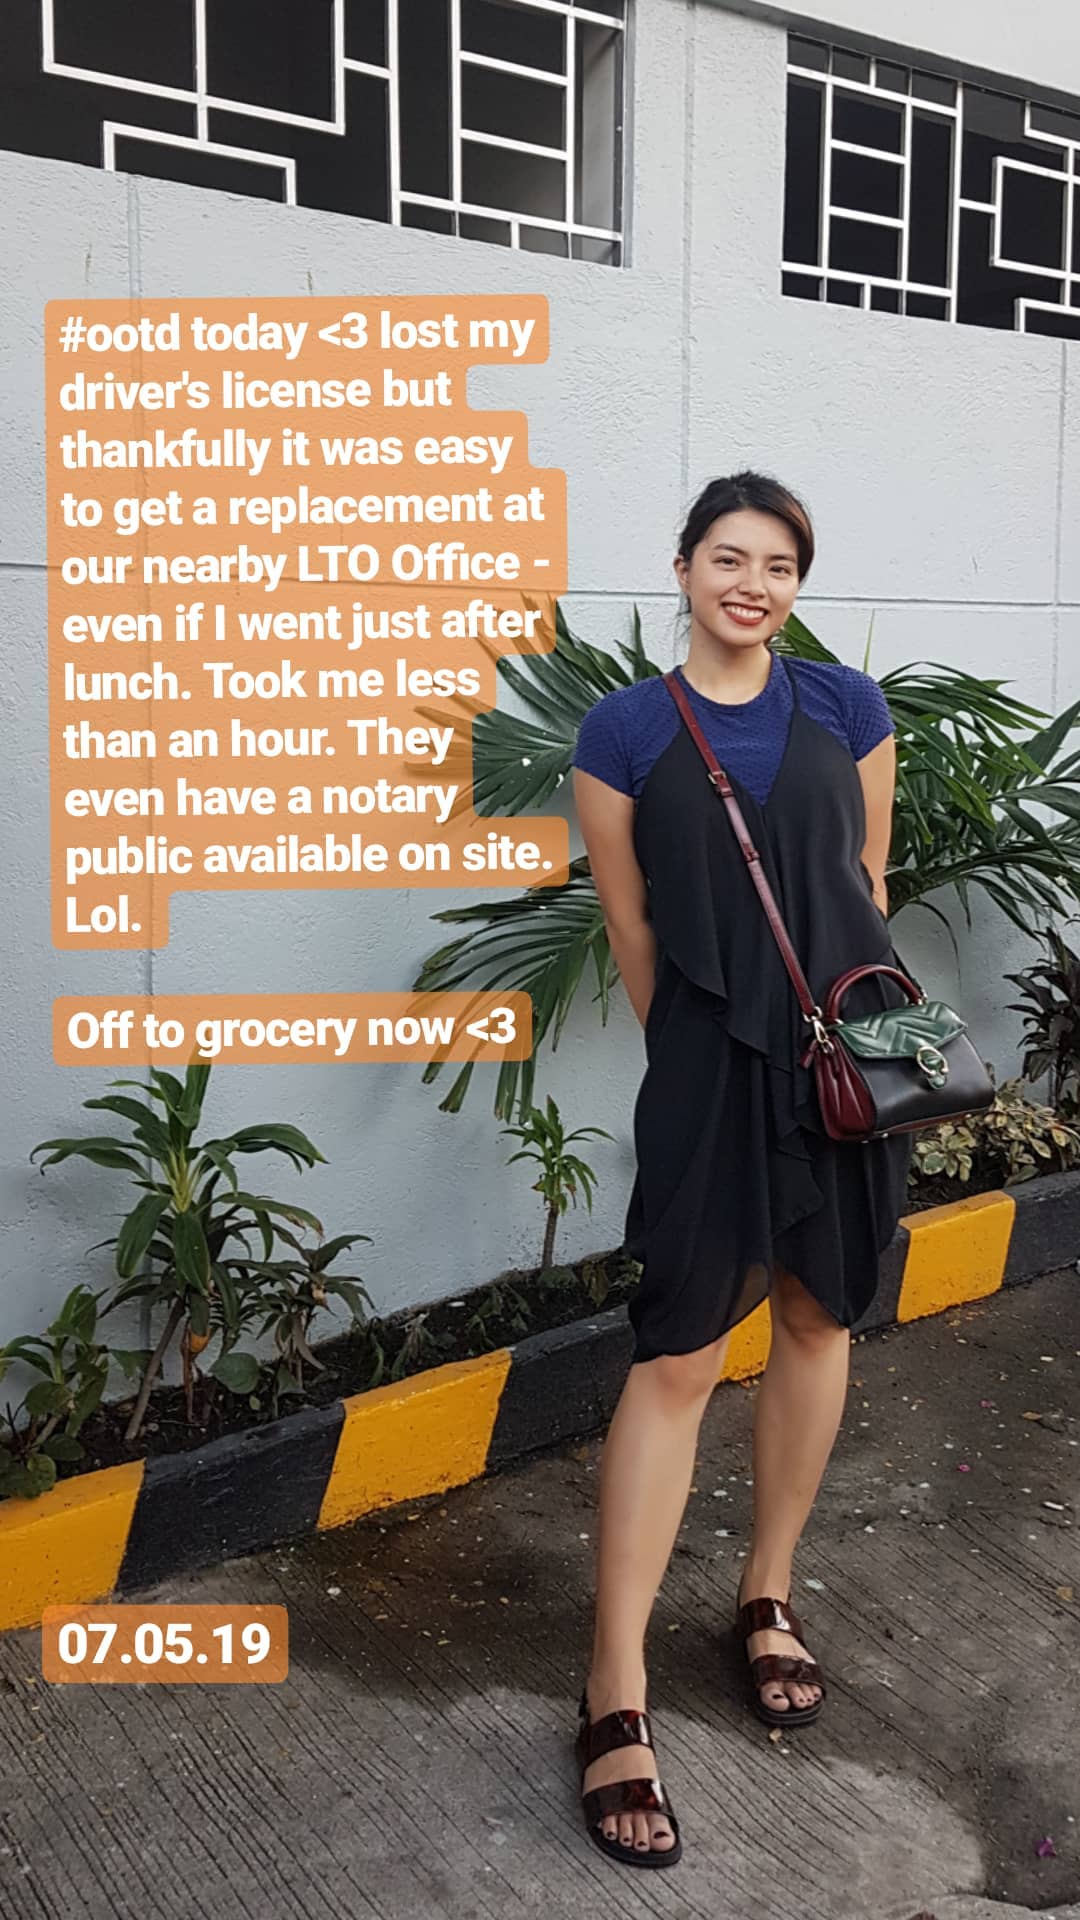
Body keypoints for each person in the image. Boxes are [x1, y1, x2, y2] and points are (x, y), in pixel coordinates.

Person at [569, 470, 913, 1870]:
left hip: (842, 1066)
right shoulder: (624, 731)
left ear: (796, 585)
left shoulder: (849, 710)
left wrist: (833, 1045)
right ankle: (614, 1682)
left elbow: (868, 882)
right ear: (684, 569)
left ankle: (767, 1595)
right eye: (729, 558)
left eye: (778, 565)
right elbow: (633, 928)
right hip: (710, 1071)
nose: (752, 585)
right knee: (678, 1357)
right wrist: (705, 1059)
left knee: (820, 1318)